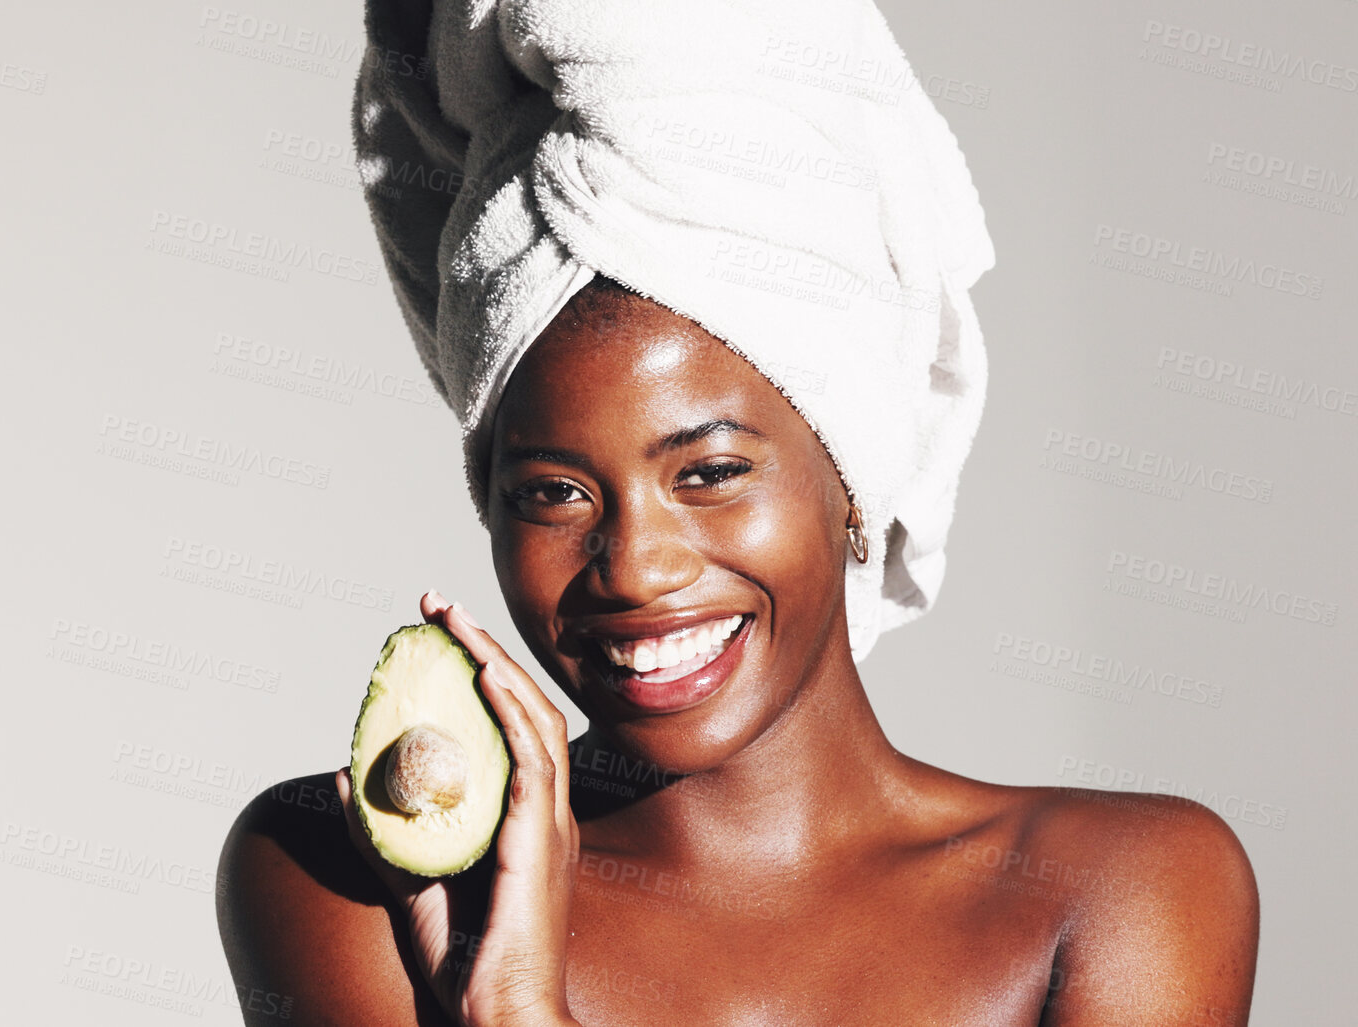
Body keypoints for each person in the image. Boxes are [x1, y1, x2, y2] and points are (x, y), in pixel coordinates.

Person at [218, 1, 1257, 1022]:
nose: (635, 566)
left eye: (709, 472)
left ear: (852, 473)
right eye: (552, 492)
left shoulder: (1123, 891)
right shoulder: (346, 876)